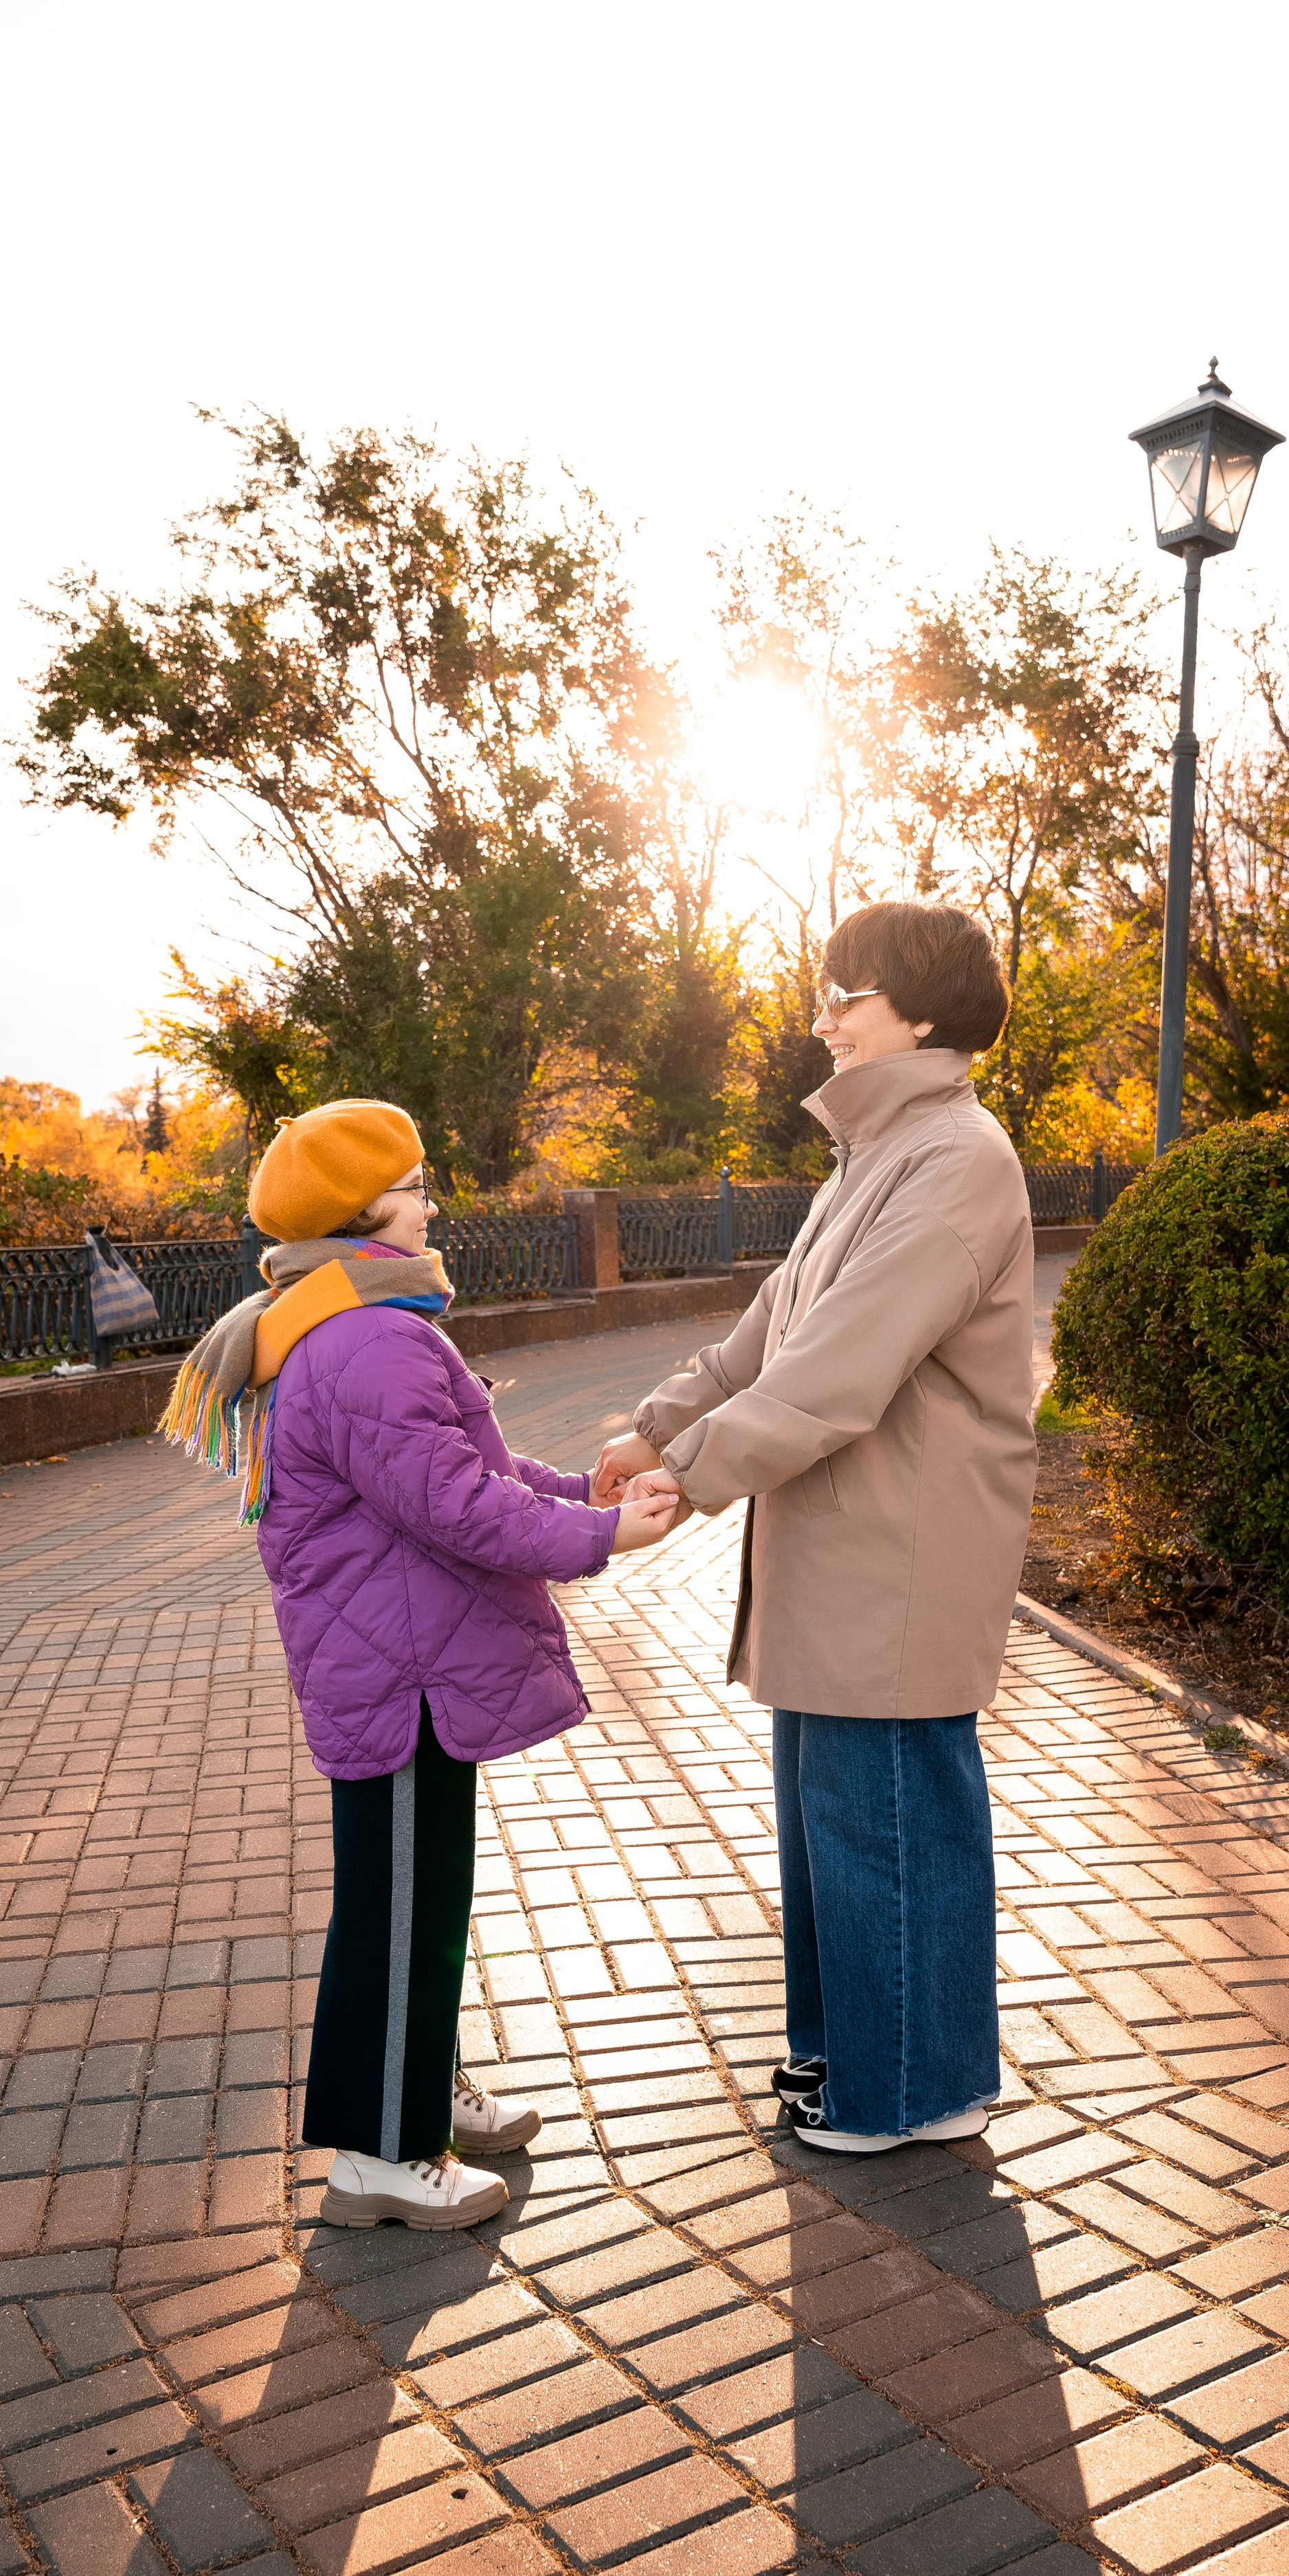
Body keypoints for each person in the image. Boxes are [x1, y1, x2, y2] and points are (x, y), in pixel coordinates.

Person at [163, 1098, 677, 2227]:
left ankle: (420, 2089)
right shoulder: (367, 1336)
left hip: (403, 1660)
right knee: (397, 1908)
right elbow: (453, 1504)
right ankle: (381, 2152)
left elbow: (459, 1466)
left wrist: (577, 1493)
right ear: (362, 1209)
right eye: (415, 1185)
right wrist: (603, 1536)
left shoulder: (347, 1320)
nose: (431, 1201)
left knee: (422, 1897)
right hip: (401, 1673)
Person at [594, 901, 1035, 2155]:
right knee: (848, 1826)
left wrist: (688, 1474)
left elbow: (839, 1369)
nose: (824, 1018)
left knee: (883, 1823)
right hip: (849, 1543)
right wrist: (655, 1426)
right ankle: (890, 2070)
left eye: (849, 994)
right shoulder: (877, 1155)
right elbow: (767, 1335)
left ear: (924, 1013)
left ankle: (894, 2092)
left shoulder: (955, 1158)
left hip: (898, 1551)